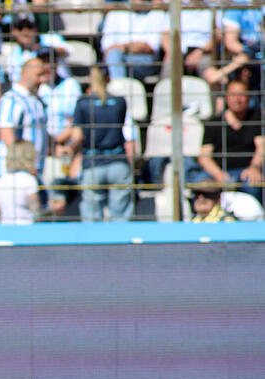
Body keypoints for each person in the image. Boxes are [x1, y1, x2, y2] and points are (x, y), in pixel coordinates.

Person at [68, 67, 136, 222]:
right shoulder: (120, 102)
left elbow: (77, 137)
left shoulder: (83, 103)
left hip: (93, 163)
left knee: (91, 217)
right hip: (118, 162)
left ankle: (92, 245)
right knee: (120, 217)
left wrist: (70, 151)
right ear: (109, 79)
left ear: (88, 79)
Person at [196, 79, 265, 201]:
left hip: (246, 172)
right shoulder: (214, 122)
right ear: (226, 98)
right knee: (200, 182)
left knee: (254, 182)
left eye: (241, 95)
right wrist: (218, 174)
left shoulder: (257, 119)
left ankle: (254, 219)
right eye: (233, 94)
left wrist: (254, 167)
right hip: (218, 172)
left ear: (249, 98)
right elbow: (204, 157)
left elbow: (261, 147)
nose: (237, 99)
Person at [0, 57, 49, 180]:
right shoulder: (12, 98)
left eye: (43, 75)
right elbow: (6, 134)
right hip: (15, 173)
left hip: (34, 171)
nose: (42, 80)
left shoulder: (36, 100)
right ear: (25, 73)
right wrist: (25, 164)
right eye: (38, 75)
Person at [99, 0, 166, 81]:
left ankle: (119, 89)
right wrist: (131, 47)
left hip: (144, 61)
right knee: (112, 57)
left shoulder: (157, 13)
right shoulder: (115, 13)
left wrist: (123, 47)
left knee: (114, 56)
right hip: (116, 59)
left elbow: (151, 47)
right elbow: (106, 46)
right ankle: (120, 88)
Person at [0, 140, 41, 225]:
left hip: (4, 227)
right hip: (26, 229)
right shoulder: (29, 180)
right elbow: (36, 213)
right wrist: (52, 210)